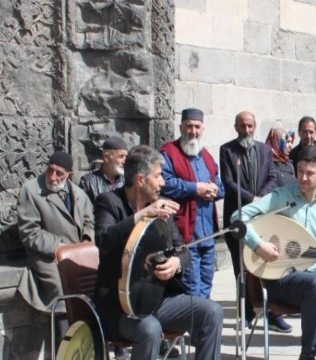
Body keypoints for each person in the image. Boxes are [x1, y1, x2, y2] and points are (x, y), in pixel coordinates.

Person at [231, 146, 316, 360]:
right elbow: (238, 216)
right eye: (300, 171)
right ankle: (308, 355)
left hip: (315, 273)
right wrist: (258, 245)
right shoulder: (281, 197)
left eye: (309, 173)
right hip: (282, 278)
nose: (303, 177)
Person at [93, 145, 223, 360]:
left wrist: (177, 263)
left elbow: (183, 250)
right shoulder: (109, 202)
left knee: (211, 312)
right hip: (119, 307)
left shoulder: (160, 207)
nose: (163, 182)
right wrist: (144, 214)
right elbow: (104, 240)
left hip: (156, 299)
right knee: (150, 329)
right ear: (140, 180)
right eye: (158, 176)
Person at [219, 111, 290, 332]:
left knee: (266, 265)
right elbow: (228, 182)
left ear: (255, 126)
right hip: (237, 216)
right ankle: (246, 314)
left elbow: (272, 177)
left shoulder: (265, 150)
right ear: (236, 127)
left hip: (262, 217)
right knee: (241, 268)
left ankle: (273, 313)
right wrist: (252, 200)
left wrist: (260, 199)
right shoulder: (227, 150)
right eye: (242, 126)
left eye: (250, 126)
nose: (246, 130)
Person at [16, 151, 95, 349]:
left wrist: (86, 241)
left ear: (68, 174)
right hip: (48, 256)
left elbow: (89, 222)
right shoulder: (31, 191)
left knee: (96, 286)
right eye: (50, 170)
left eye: (59, 173)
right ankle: (63, 347)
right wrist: (59, 247)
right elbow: (29, 232)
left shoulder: (78, 194)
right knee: (62, 290)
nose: (52, 177)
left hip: (77, 254)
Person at [161, 108, 225, 298]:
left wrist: (214, 190)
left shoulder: (206, 156)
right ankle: (195, 323)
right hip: (186, 234)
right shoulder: (169, 153)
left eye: (197, 127)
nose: (193, 131)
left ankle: (202, 324)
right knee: (191, 287)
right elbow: (165, 183)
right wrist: (195, 188)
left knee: (206, 283)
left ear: (203, 128)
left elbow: (220, 186)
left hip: (208, 234)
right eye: (189, 126)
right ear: (181, 127)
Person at [79, 136, 128, 202]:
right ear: (106, 157)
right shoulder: (88, 182)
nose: (124, 161)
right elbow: (84, 210)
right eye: (121, 156)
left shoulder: (127, 181)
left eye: (125, 157)